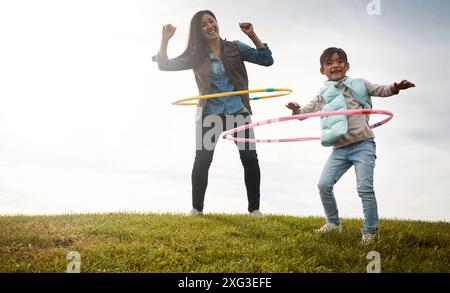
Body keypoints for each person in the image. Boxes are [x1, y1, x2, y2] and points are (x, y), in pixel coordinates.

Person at [286, 47, 415, 244]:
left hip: (363, 144)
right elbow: (306, 113)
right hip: (339, 148)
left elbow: (381, 89)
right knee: (323, 184)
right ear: (322, 70)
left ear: (347, 66)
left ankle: (370, 232)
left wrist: (396, 87)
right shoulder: (323, 93)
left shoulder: (359, 84)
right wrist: (296, 110)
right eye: (329, 63)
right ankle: (333, 224)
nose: (335, 65)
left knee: (364, 188)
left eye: (339, 61)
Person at [153, 10, 274, 216]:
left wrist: (252, 35)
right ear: (198, 32)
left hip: (238, 112)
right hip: (210, 114)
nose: (209, 26)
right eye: (203, 25)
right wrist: (164, 41)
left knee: (249, 159)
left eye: (211, 21)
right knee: (202, 160)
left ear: (217, 22)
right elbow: (164, 65)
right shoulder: (195, 55)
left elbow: (267, 60)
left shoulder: (235, 47)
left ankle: (254, 210)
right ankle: (197, 209)